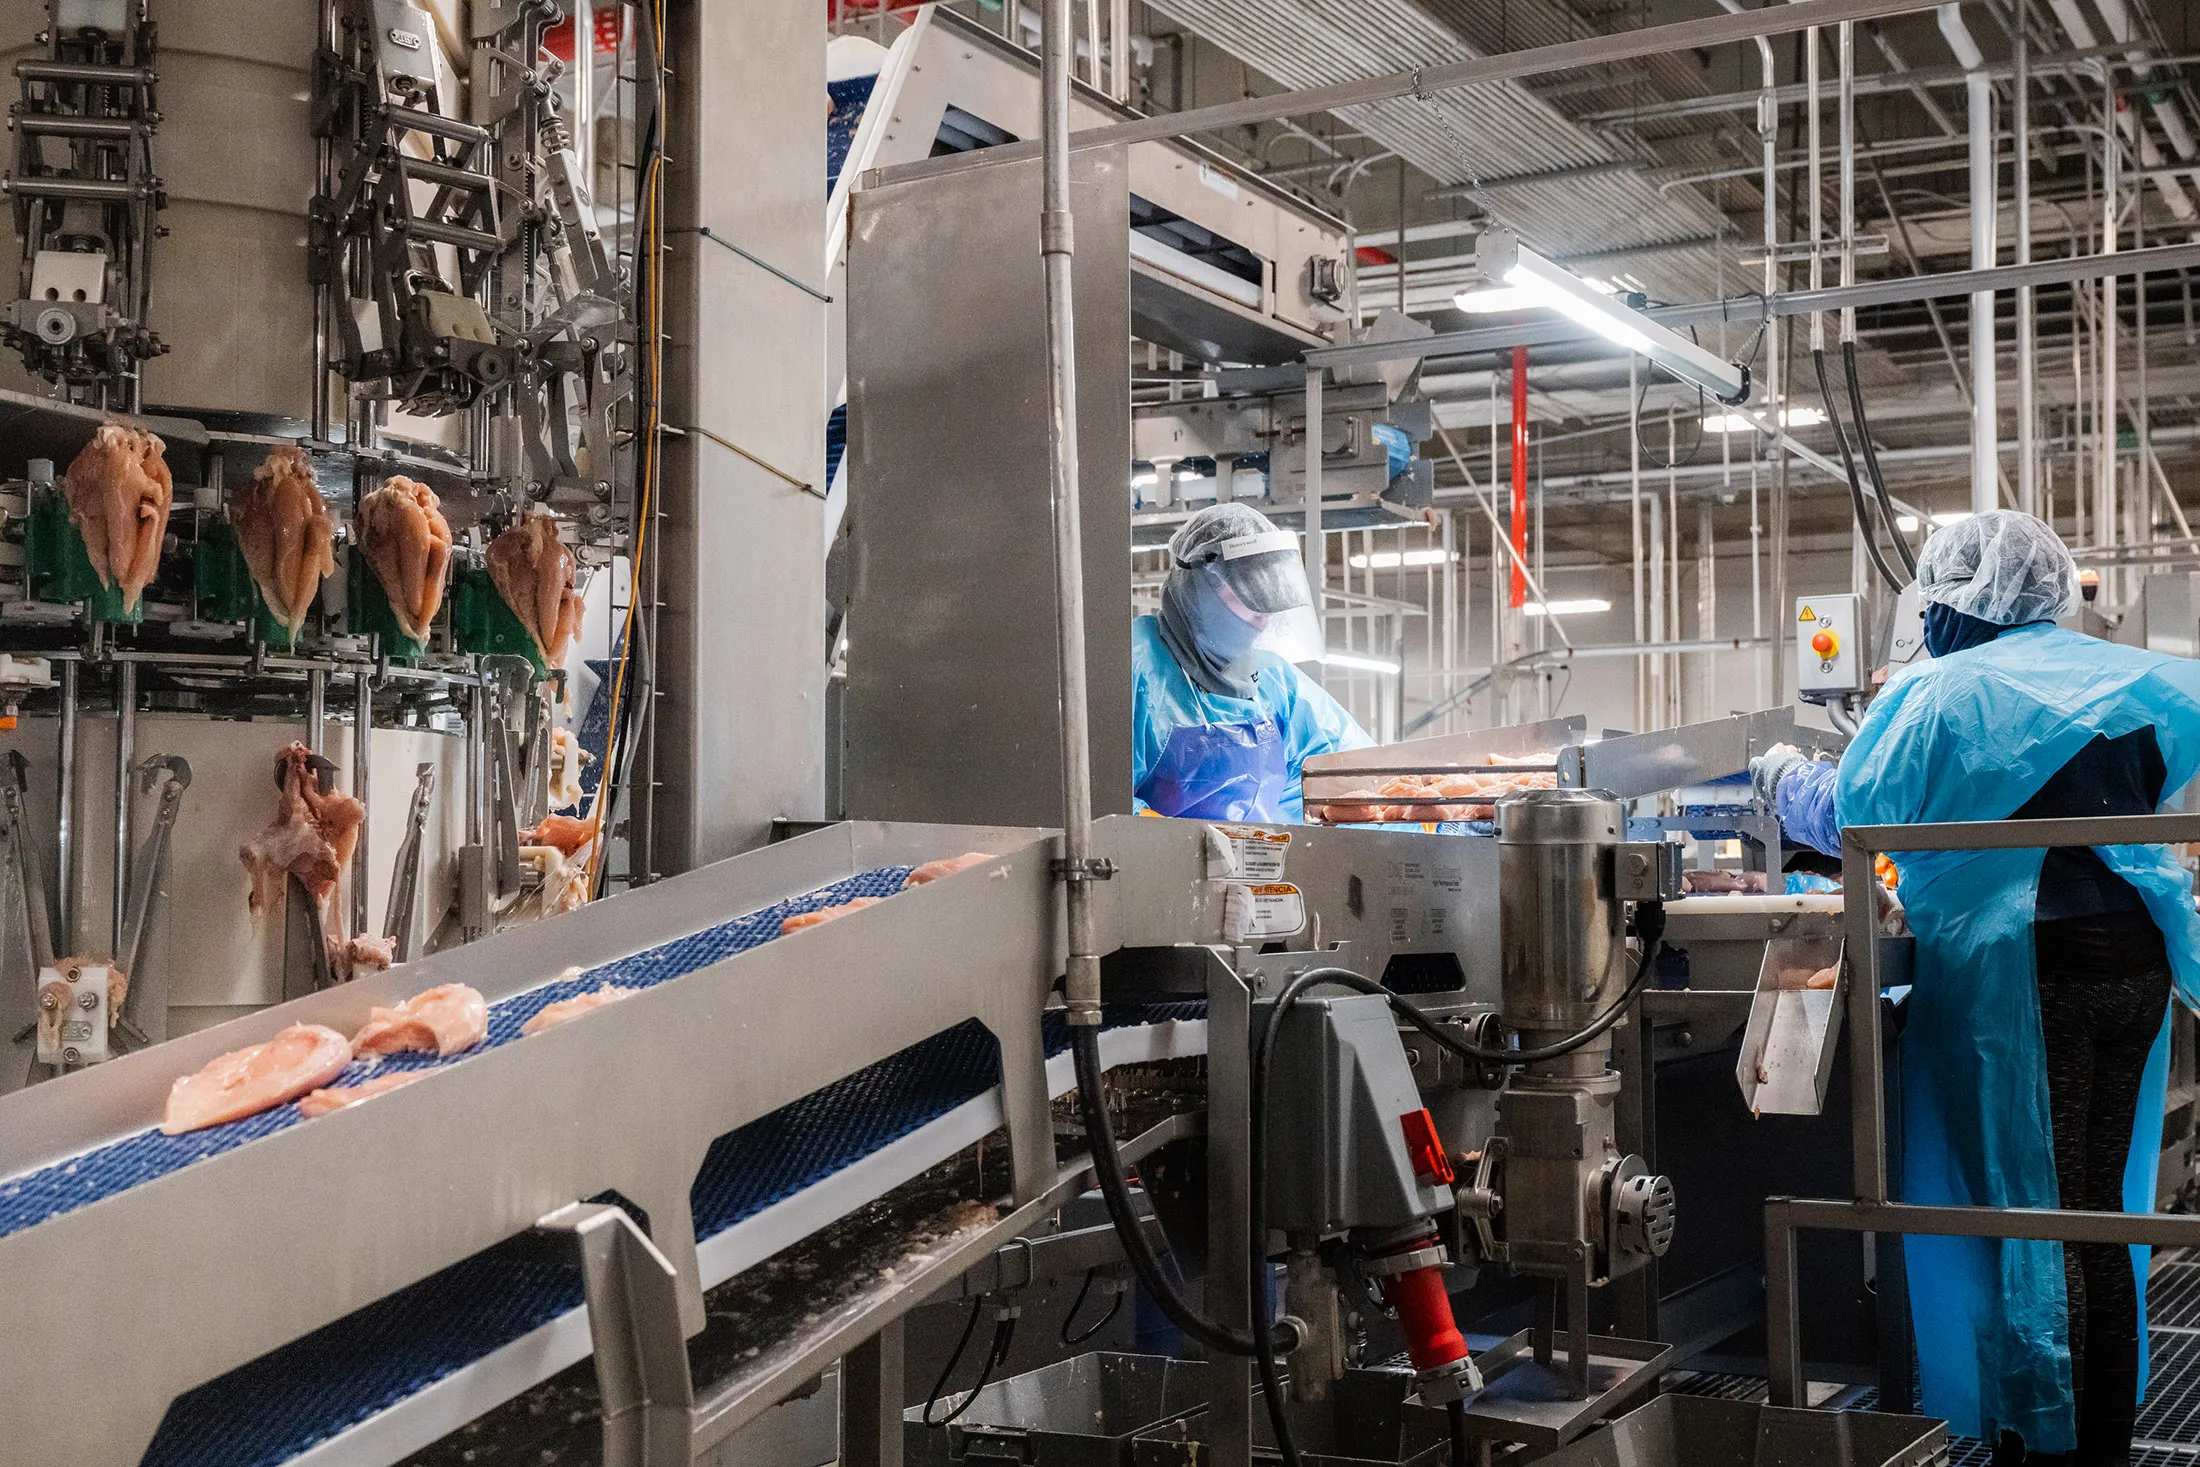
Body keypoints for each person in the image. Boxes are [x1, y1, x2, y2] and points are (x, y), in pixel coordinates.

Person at [1749, 511, 2200, 1464]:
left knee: (2032, 1219)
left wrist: (1785, 776)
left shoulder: (1944, 690)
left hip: (2028, 970)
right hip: (2134, 960)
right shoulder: (2119, 674)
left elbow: (1857, 813)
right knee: (2095, 1213)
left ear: (1957, 597)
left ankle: (2046, 1440)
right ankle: (2103, 1438)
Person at [1133, 503, 1372, 823]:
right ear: (1199, 587)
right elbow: (1095, 804)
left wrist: (1438, 816)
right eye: (1249, 598)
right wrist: (1177, 846)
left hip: (1262, 867)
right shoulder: (1133, 669)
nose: (1263, 619)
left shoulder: (1274, 682)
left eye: (1269, 603)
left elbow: (1350, 775)